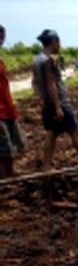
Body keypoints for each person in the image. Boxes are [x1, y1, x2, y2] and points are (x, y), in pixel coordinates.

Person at [31, 29, 78, 170]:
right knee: (74, 132)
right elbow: (51, 84)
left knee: (51, 134)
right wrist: (58, 107)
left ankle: (46, 165)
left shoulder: (36, 59)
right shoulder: (49, 60)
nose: (60, 45)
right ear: (54, 42)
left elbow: (34, 82)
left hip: (47, 104)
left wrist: (40, 98)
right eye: (59, 42)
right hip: (60, 103)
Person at [0, 24, 26, 178]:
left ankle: (10, 173)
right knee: (4, 147)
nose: (2, 40)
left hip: (7, 107)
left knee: (13, 145)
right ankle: (4, 178)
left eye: (3, 36)